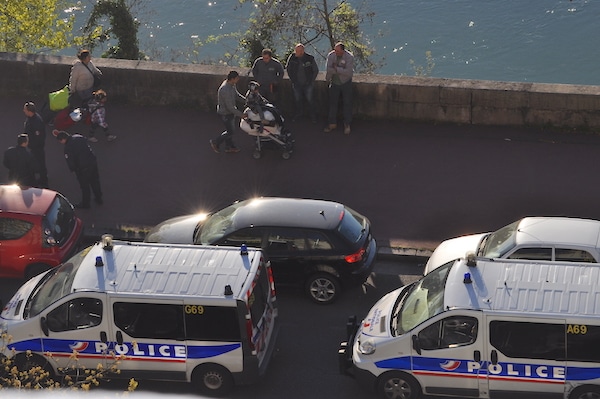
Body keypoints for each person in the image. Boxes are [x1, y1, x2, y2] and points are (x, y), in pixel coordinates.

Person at [55, 130, 103, 209]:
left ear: (62, 139)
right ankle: (99, 198)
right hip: (92, 163)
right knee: (95, 181)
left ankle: (86, 204)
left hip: (82, 169)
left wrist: (74, 170)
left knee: (85, 187)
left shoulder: (68, 148)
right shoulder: (78, 137)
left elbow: (71, 162)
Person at [209, 71, 246, 154]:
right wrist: (241, 115)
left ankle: (229, 147)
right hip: (225, 114)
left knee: (229, 130)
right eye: (237, 78)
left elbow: (236, 95)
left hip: (230, 113)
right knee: (231, 131)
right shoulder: (225, 90)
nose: (238, 79)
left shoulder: (232, 85)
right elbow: (230, 107)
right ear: (232, 79)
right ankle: (215, 142)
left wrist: (246, 100)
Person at [324, 42, 354, 135]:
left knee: (347, 103)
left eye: (337, 50)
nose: (335, 52)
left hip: (346, 83)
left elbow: (349, 72)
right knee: (333, 104)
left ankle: (347, 124)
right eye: (335, 50)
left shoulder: (349, 57)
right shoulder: (331, 55)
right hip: (334, 83)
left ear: (342, 50)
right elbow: (328, 69)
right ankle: (332, 123)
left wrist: (336, 69)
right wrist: (340, 70)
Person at [285, 43, 319, 123]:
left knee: (310, 100)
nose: (296, 53)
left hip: (308, 84)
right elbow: (288, 68)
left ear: (302, 51)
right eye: (295, 51)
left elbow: (315, 70)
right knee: (297, 100)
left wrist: (311, 81)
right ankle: (298, 114)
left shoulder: (309, 58)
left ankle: (313, 116)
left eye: (298, 51)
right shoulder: (292, 58)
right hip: (296, 84)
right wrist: (292, 79)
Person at [23, 101, 48, 187]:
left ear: (29, 111)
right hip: (34, 146)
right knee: (37, 163)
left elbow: (39, 137)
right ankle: (41, 179)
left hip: (37, 147)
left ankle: (44, 182)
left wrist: (31, 145)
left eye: (25, 109)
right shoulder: (31, 118)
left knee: (40, 163)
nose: (23, 111)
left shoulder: (36, 122)